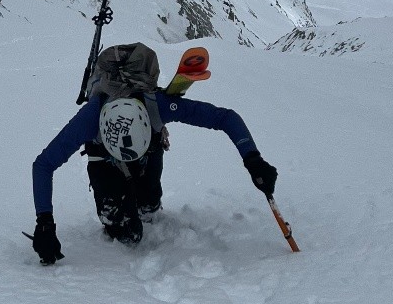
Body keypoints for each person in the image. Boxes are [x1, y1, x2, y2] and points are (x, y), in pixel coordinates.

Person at [29, 41, 278, 264]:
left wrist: (253, 159)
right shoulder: (91, 116)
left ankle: (145, 200)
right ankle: (124, 211)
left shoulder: (157, 105)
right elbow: (43, 165)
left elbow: (226, 118)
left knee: (148, 207)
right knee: (126, 233)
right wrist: (45, 223)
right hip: (105, 163)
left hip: (148, 157)